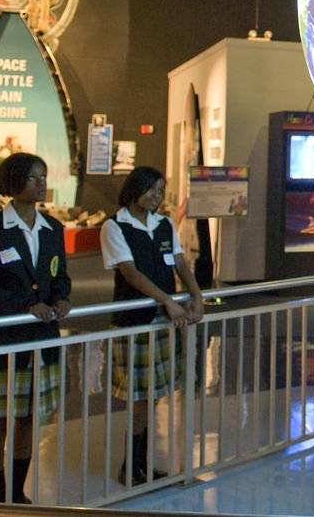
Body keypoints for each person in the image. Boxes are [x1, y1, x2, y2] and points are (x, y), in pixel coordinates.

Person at [0, 153, 71, 504]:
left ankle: (17, 491)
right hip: (4, 340)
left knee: (28, 419)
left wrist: (61, 298)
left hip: (42, 340)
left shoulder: (53, 228)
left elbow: (59, 275)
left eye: (43, 176)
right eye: (33, 178)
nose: (41, 184)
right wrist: (24, 307)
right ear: (13, 182)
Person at [100, 166, 204, 486]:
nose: (158, 197)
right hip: (135, 323)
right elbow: (130, 272)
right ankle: (131, 466)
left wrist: (196, 296)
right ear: (136, 189)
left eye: (162, 190)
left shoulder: (163, 224)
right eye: (153, 190)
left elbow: (179, 262)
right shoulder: (114, 226)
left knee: (154, 394)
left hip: (161, 321)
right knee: (139, 397)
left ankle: (141, 464)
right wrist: (168, 301)